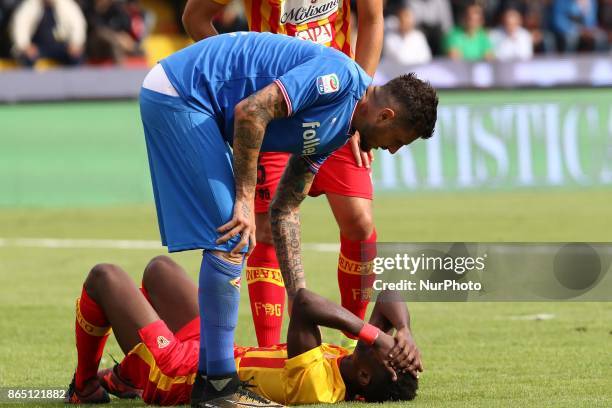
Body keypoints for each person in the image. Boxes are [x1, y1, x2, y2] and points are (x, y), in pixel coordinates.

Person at [138, 31, 437, 407]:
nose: (392, 150)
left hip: (200, 106)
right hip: (182, 93)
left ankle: (215, 384)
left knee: (236, 236)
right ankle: (216, 388)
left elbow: (285, 209)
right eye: (399, 140)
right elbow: (252, 111)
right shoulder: (340, 77)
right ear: (386, 115)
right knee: (234, 233)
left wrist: (300, 301)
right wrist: (244, 200)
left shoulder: (340, 130)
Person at [182, 0, 385, 354]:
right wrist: (237, 84)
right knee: (264, 232)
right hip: (277, 108)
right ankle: (271, 353)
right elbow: (194, 17)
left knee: (358, 221)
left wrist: (359, 102)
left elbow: (372, 19)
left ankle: (355, 348)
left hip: (337, 104)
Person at [65, 256, 423, 405]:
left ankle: (86, 386)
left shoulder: (319, 385)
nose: (386, 342)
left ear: (364, 376)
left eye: (388, 353)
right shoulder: (351, 362)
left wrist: (377, 336)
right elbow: (389, 293)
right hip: (211, 351)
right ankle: (128, 374)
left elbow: (303, 304)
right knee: (161, 270)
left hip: (179, 374)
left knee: (105, 276)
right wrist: (404, 330)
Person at [9, 0, 86, 67]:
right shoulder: (30, 5)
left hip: (60, 46)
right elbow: (19, 25)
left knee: (76, 58)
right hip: (38, 47)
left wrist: (76, 44)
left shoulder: (67, 4)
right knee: (27, 59)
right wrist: (25, 46)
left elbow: (78, 24)